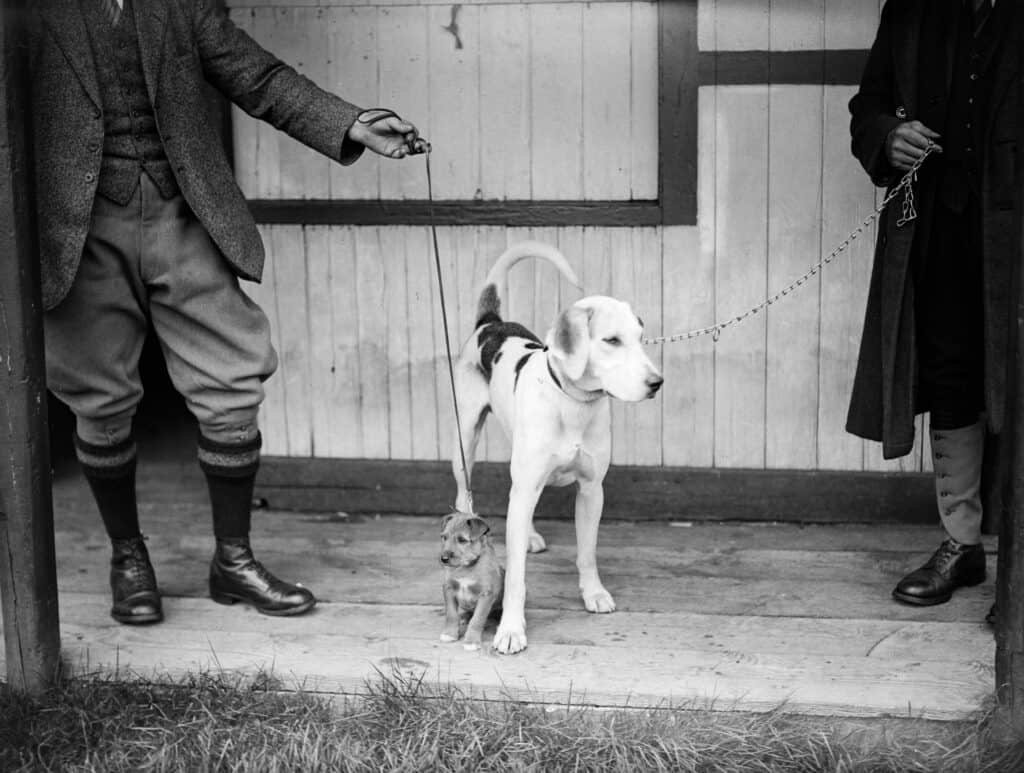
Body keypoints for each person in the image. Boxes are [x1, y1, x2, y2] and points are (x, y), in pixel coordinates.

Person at [28, 0, 426, 624]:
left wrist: (352, 123)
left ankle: (233, 562)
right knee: (98, 398)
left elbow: (257, 76)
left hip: (184, 216)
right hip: (76, 232)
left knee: (232, 383)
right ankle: (128, 558)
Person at [847, 0, 1017, 617]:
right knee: (950, 373)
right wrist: (889, 136)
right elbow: (867, 106)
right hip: (939, 226)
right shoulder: (913, 9)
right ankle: (962, 541)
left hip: (1017, 234)